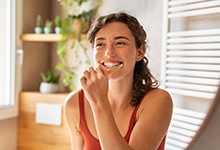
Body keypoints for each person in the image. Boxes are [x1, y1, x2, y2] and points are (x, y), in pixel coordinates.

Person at [64, 11, 173, 150]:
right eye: (100, 44)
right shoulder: (74, 103)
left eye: (120, 43)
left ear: (139, 52)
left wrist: (99, 102)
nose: (109, 52)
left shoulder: (158, 101)